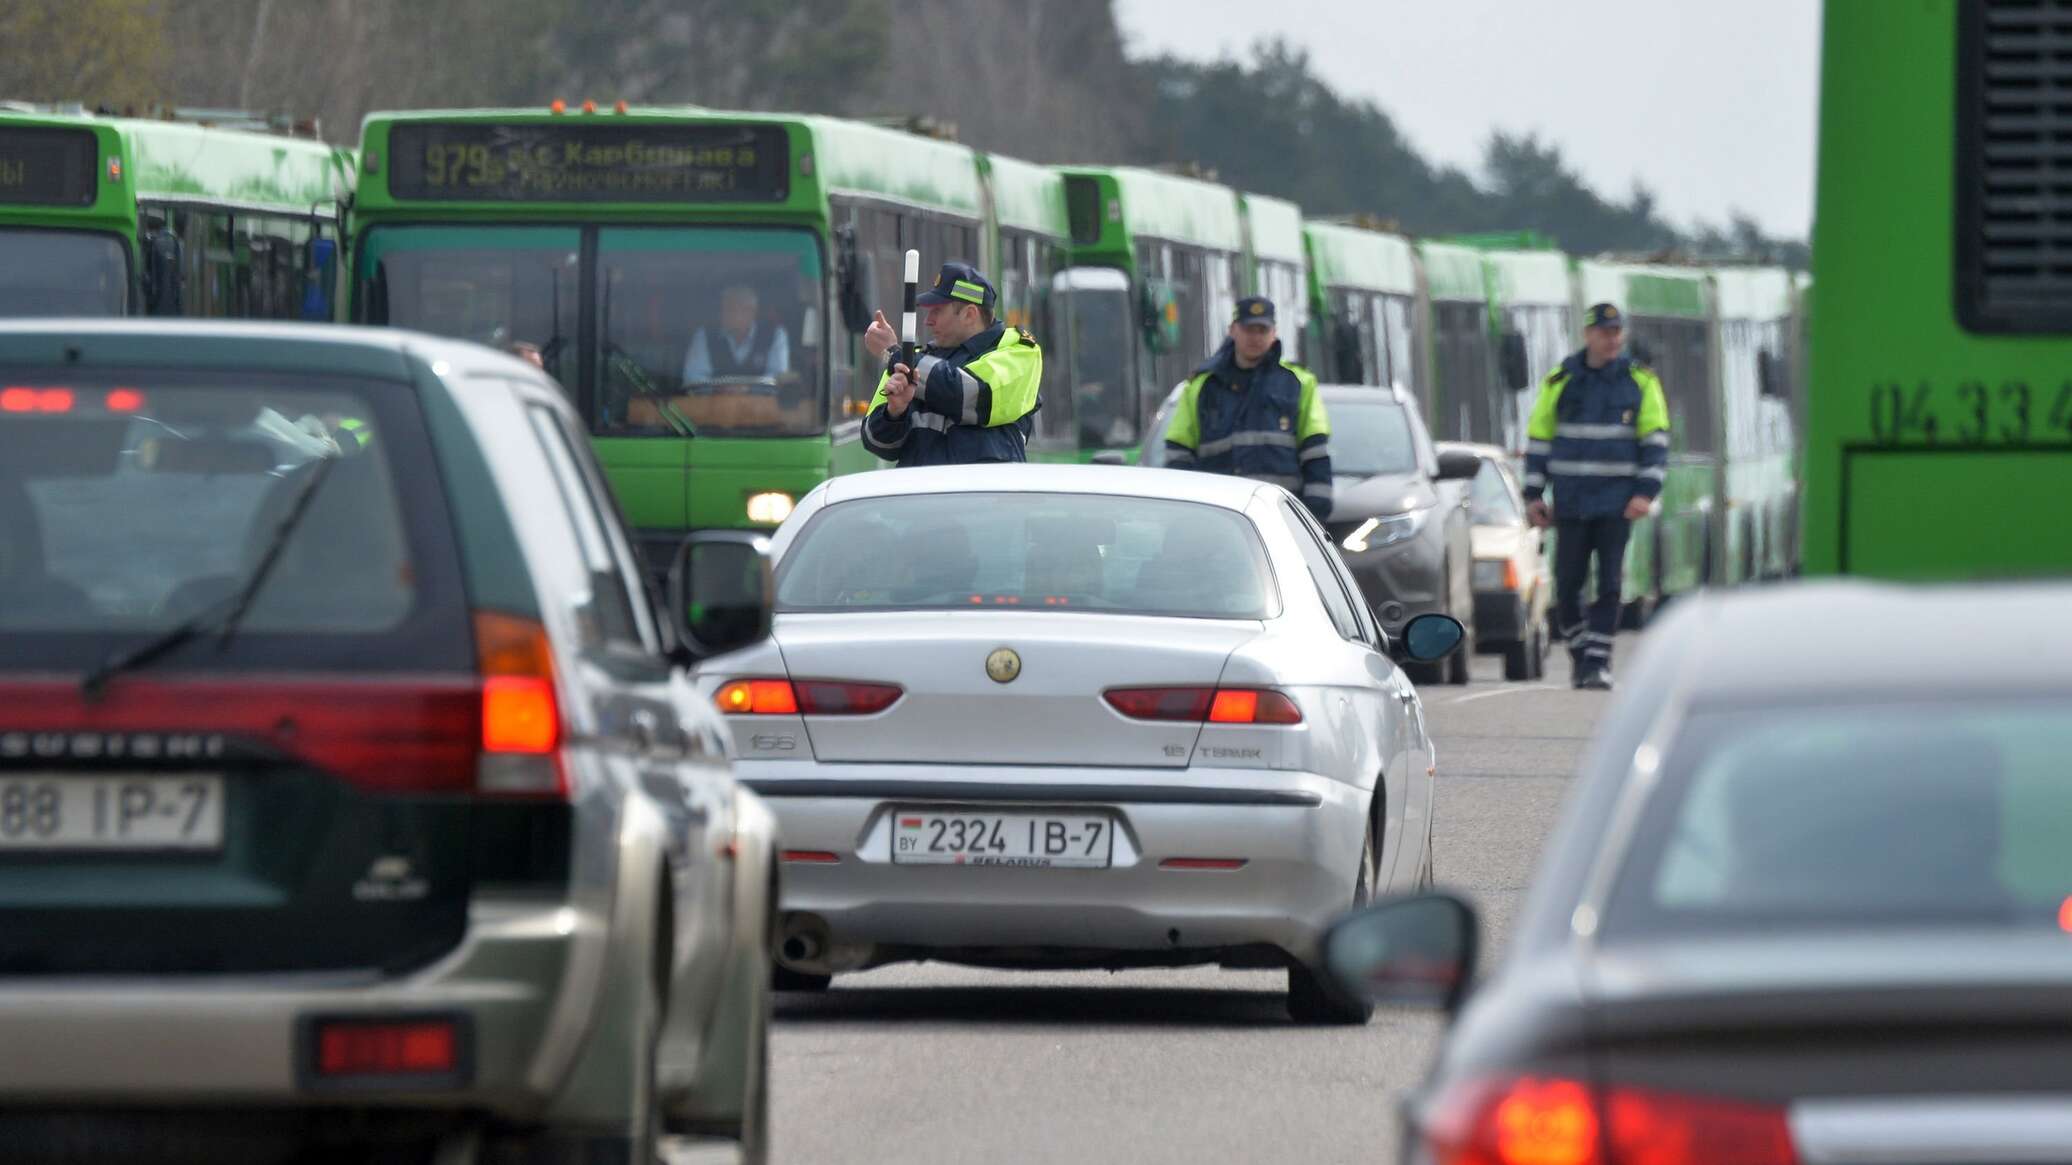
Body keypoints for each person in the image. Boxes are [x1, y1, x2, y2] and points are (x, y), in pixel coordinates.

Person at [1522, 302, 1669, 691]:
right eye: (1605, 332)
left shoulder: (1641, 382)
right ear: (1588, 334)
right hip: (1570, 505)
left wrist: (1645, 493)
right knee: (1567, 588)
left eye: (1617, 332)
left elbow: (1655, 443)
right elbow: (1539, 442)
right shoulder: (1559, 381)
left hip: (1616, 505)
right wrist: (1533, 495)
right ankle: (1582, 653)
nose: (1612, 339)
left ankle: (1598, 663)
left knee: (1609, 586)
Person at [1162, 296, 1332, 520]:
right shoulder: (1202, 387)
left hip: (1282, 518)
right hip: (1218, 516)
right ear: (1232, 330)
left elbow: (1315, 452)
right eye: (1249, 329)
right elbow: (1179, 453)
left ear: (1274, 333)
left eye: (1263, 330)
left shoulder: (1299, 382)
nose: (1256, 337)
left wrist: (1313, 515)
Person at [860, 262, 1042, 466]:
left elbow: (972, 394)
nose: (928, 321)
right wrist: (894, 413)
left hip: (987, 496)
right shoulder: (911, 360)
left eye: (937, 311)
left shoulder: (1019, 349)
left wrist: (893, 353)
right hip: (923, 496)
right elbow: (875, 442)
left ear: (969, 314)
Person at [682, 285, 790, 383]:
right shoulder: (704, 336)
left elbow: (778, 377)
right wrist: (722, 389)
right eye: (723, 309)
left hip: (763, 404)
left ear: (750, 311)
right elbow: (693, 378)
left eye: (730, 309)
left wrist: (746, 389)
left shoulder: (775, 335)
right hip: (714, 403)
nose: (723, 314)